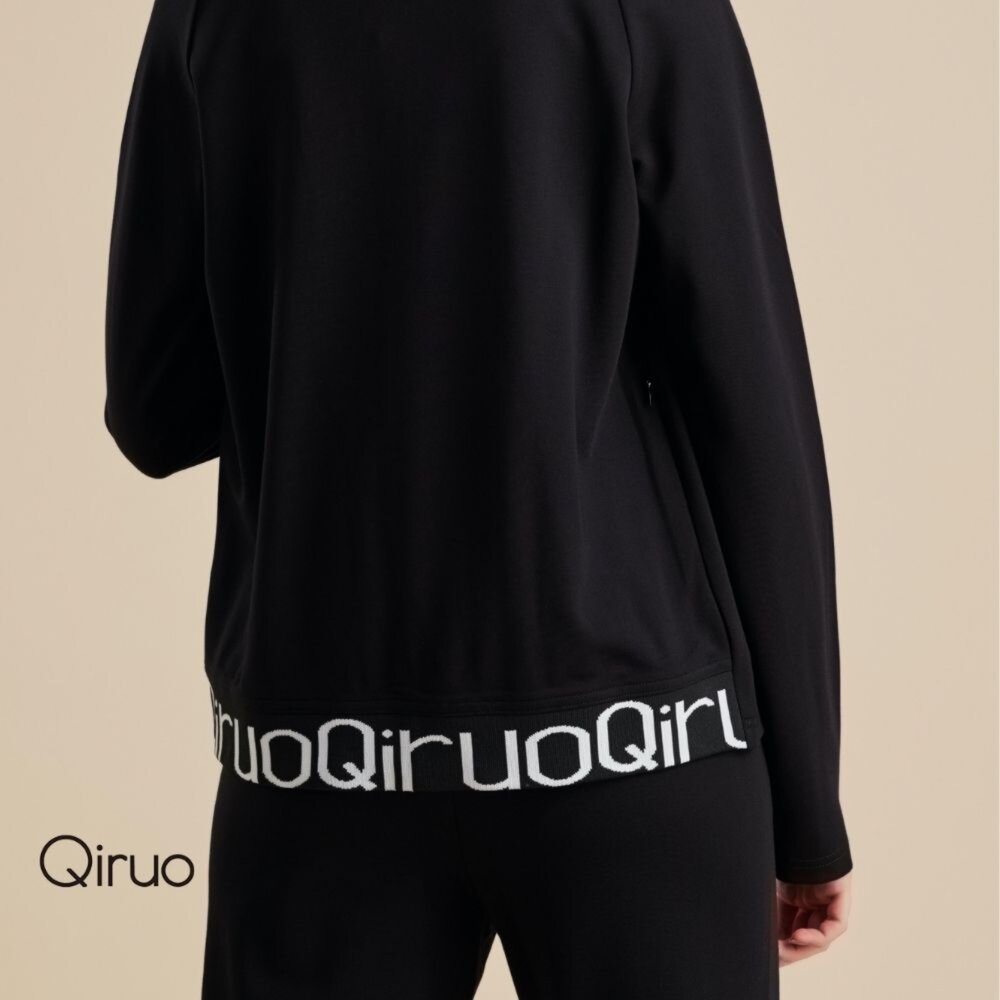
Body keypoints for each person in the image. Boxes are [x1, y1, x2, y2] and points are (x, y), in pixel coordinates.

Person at [103, 0, 854, 996]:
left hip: (318, 754)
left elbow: (153, 414)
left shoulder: (210, 13)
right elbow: (748, 402)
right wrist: (808, 811)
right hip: (631, 743)